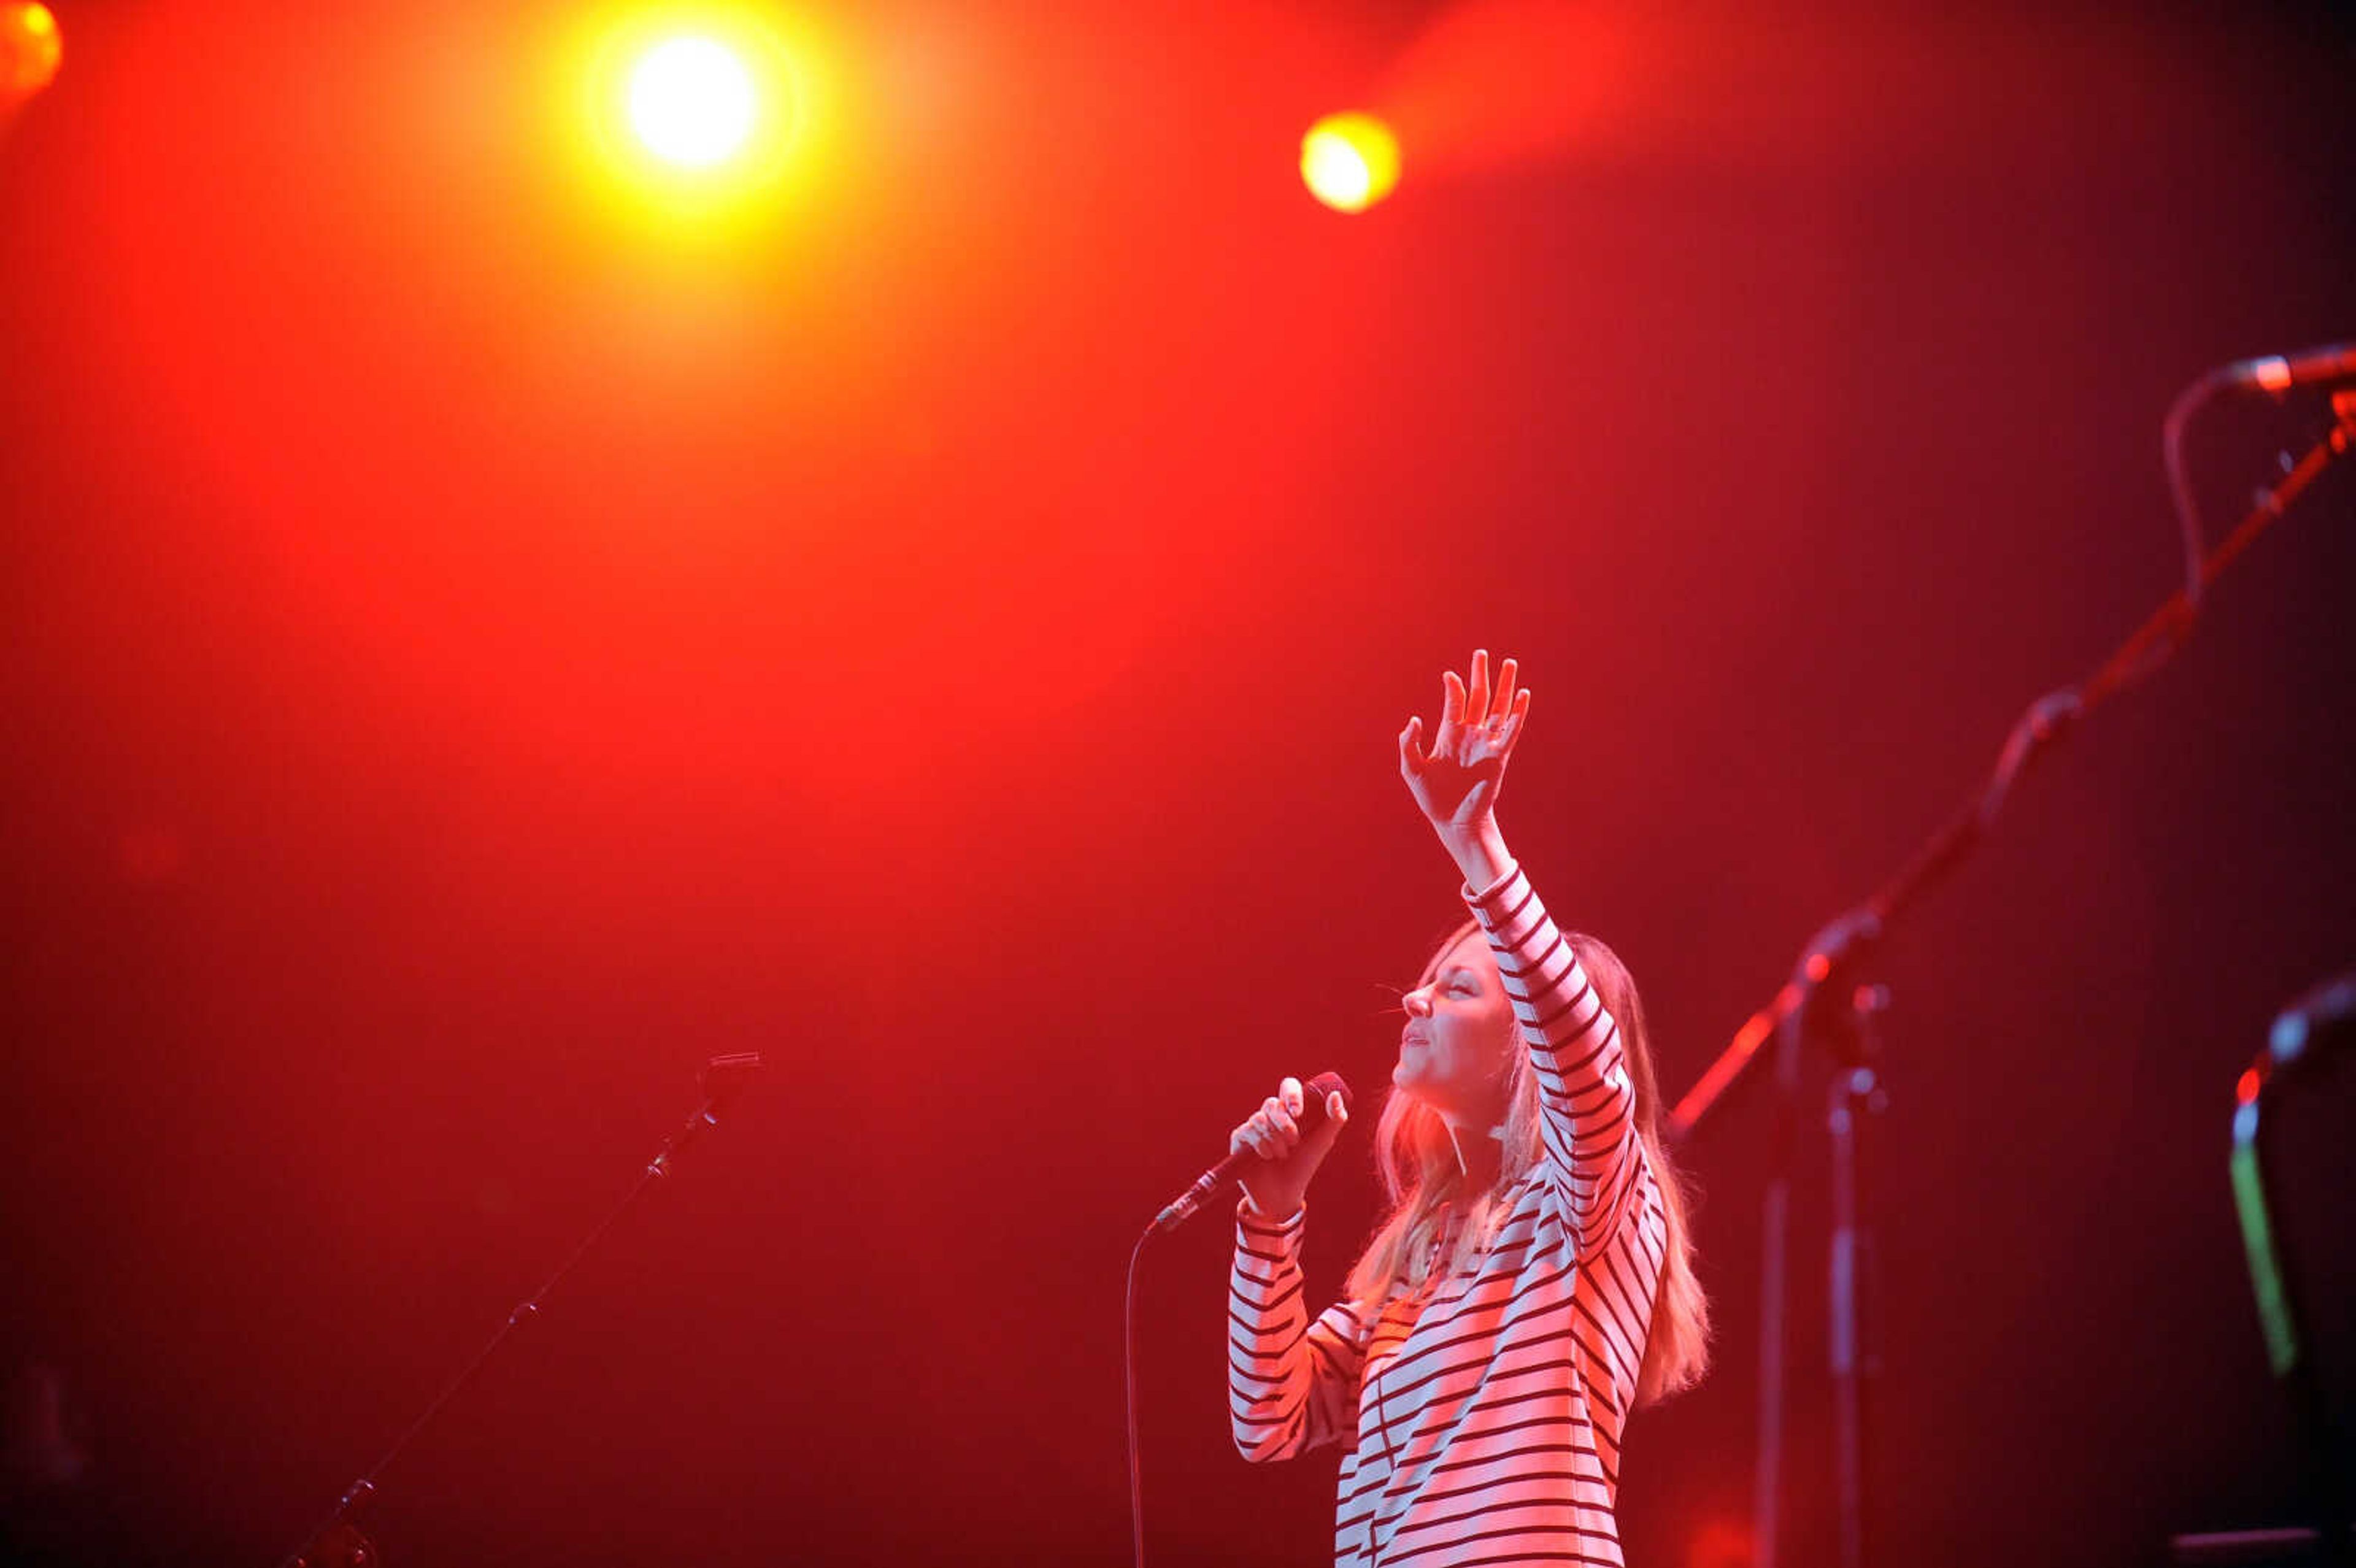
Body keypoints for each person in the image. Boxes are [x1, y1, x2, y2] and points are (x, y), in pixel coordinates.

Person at [1225, 650, 1709, 1567]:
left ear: (1525, 1035)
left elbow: (1583, 1058)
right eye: (1423, 984)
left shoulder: (1591, 1206)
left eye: (1454, 988)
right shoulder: (1417, 1252)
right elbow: (1268, 1419)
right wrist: (1270, 1216)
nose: (1413, 1002)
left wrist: (1479, 848)